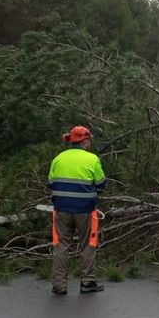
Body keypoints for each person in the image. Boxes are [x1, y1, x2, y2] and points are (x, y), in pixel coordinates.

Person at [48, 125, 107, 294]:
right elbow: (101, 183)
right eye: (89, 140)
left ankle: (59, 285)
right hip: (85, 210)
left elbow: (51, 183)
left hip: (61, 210)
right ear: (85, 141)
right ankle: (88, 283)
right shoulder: (92, 159)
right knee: (87, 245)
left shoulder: (58, 159)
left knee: (61, 245)